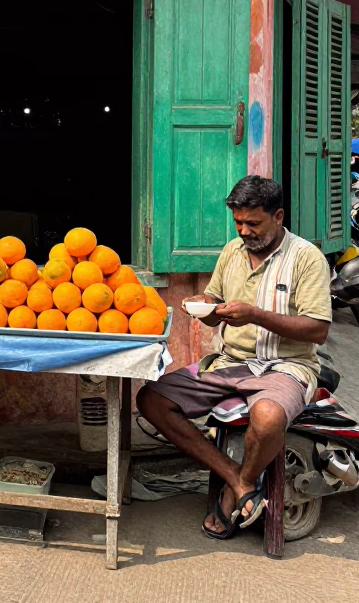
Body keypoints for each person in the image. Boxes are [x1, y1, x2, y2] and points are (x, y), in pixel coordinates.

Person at [136, 176, 331, 540]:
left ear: (278, 216)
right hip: (228, 362)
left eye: (253, 223)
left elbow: (318, 329)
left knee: (269, 416)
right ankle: (237, 479)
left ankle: (239, 484)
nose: (244, 231)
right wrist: (205, 310)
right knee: (151, 399)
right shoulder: (231, 252)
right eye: (238, 222)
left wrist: (256, 314)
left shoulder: (306, 258)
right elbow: (215, 302)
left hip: (286, 365)